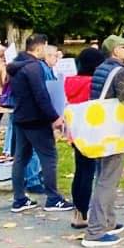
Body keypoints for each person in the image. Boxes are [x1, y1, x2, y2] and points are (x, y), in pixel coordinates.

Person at [7, 34, 73, 213]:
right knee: (49, 156)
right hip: (36, 119)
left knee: (21, 158)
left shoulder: (16, 65)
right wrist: (54, 117)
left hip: (20, 116)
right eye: (45, 47)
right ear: (38, 48)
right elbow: (41, 95)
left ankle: (19, 198)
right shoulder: (34, 67)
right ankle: (53, 198)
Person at [82, 35, 124, 247]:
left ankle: (108, 220)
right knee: (108, 179)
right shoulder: (120, 72)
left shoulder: (101, 68)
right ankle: (95, 230)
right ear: (115, 51)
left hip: (100, 129)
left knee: (102, 174)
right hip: (113, 130)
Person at [64, 47, 105, 229]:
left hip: (75, 130)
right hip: (90, 131)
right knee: (89, 172)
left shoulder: (71, 82)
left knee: (80, 170)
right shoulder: (92, 84)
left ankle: (77, 211)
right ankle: (83, 212)